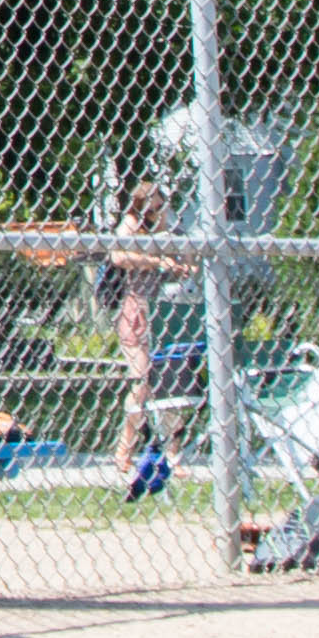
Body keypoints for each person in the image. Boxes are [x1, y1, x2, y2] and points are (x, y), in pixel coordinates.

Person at [98, 174, 198, 502]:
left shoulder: (163, 230)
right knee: (141, 384)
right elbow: (118, 256)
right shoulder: (129, 226)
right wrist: (157, 260)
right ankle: (123, 452)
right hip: (135, 313)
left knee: (173, 387)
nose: (157, 213)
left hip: (166, 316)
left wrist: (180, 258)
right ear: (141, 206)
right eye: (153, 208)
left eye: (161, 208)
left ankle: (172, 454)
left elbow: (187, 257)